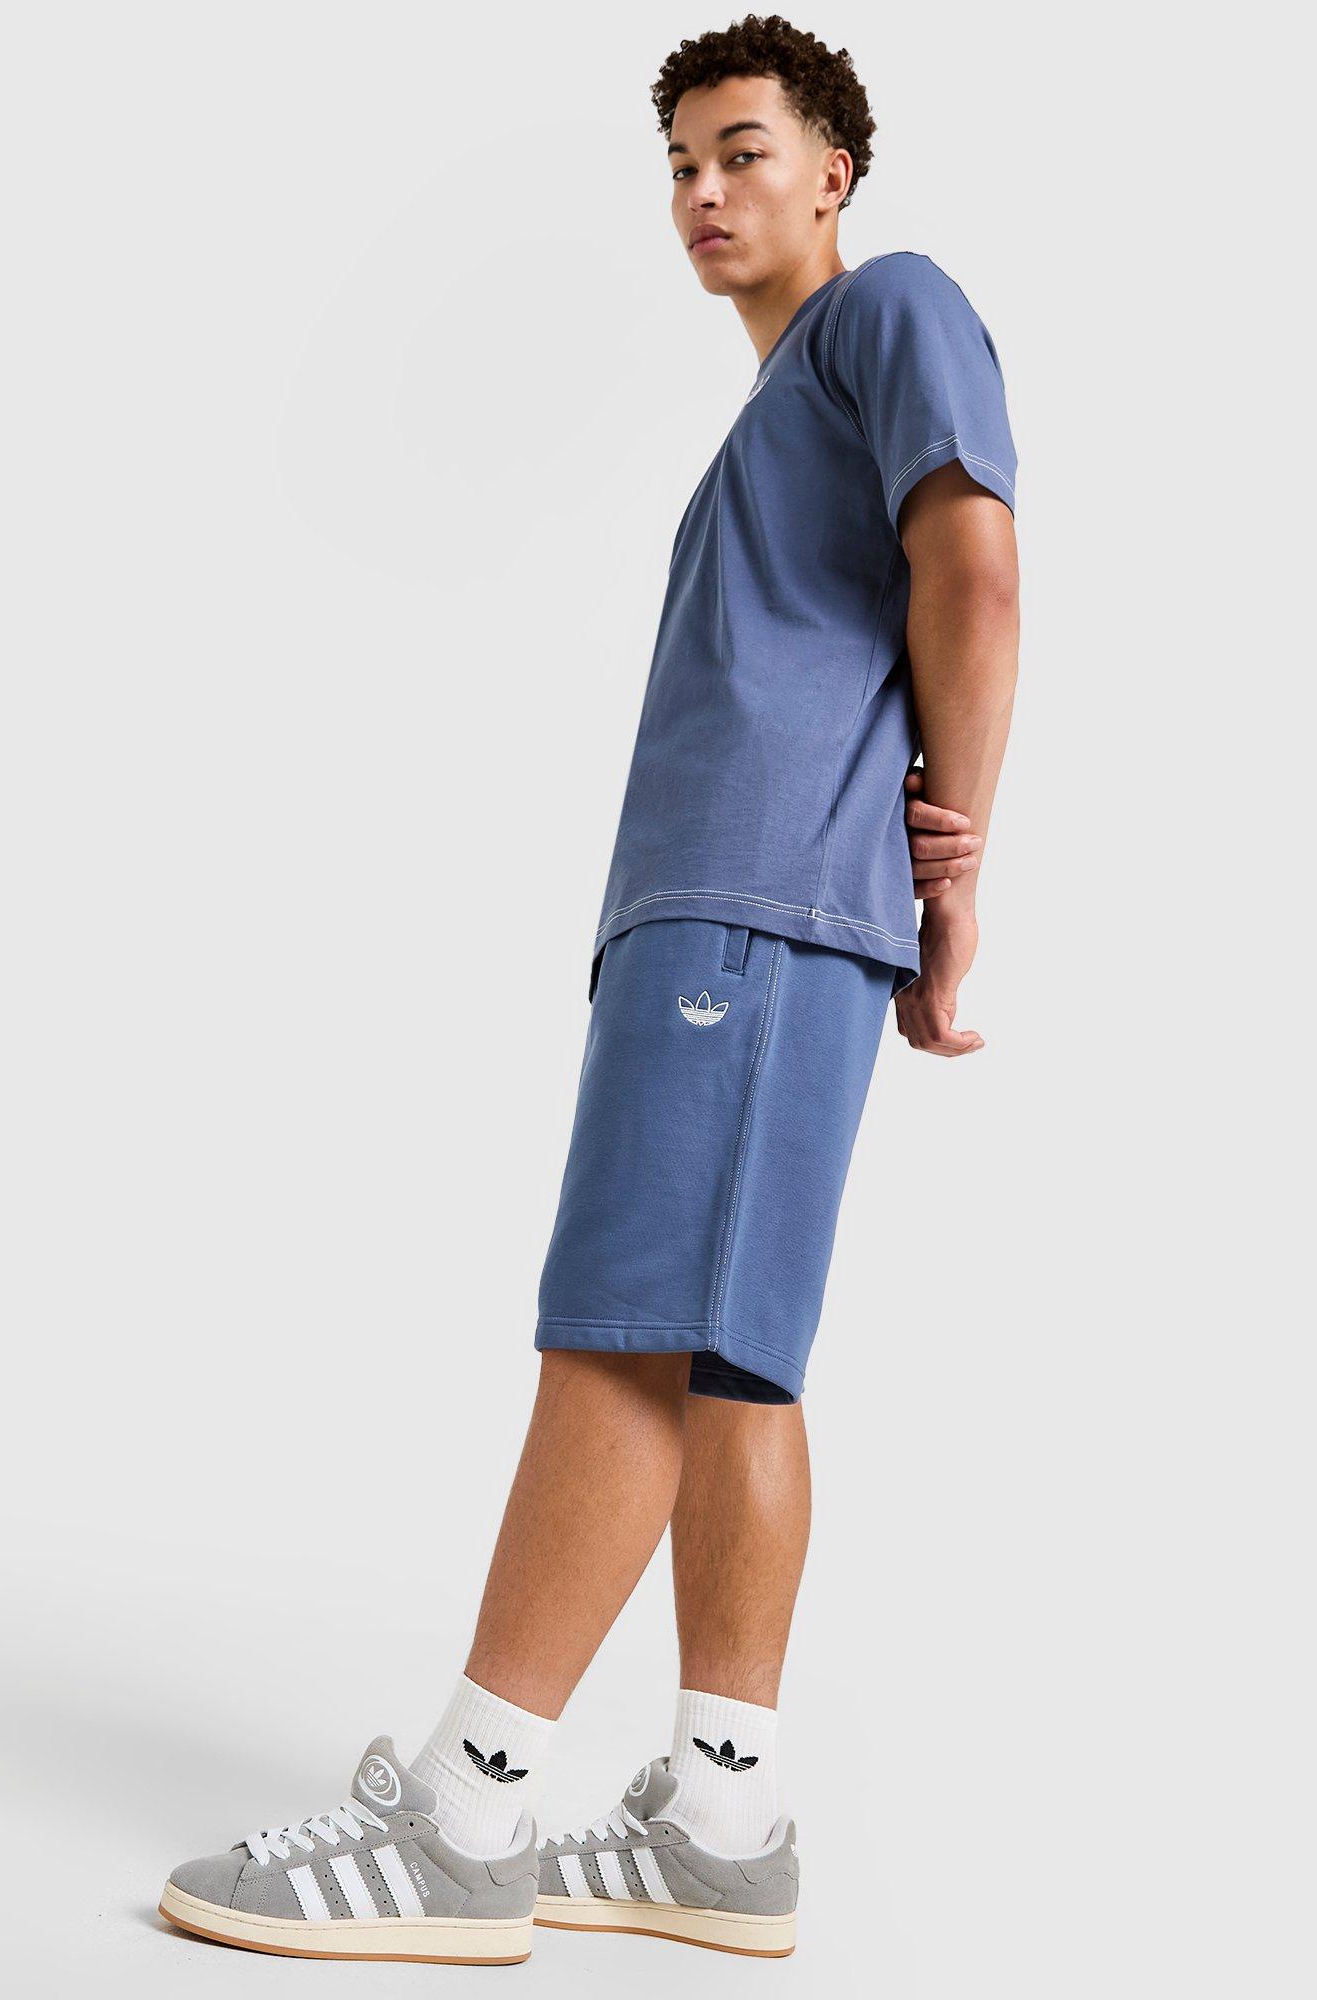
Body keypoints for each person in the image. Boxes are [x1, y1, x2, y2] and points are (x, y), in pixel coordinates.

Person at [159, 14, 1019, 1965]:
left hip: (751, 912)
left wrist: (956, 876)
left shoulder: (889, 308)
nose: (704, 191)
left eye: (743, 151)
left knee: (627, 1331)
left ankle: (466, 1817)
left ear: (834, 172)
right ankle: (724, 1818)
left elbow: (974, 572)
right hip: (757, 918)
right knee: (731, 1360)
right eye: (681, 166)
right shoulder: (787, 402)